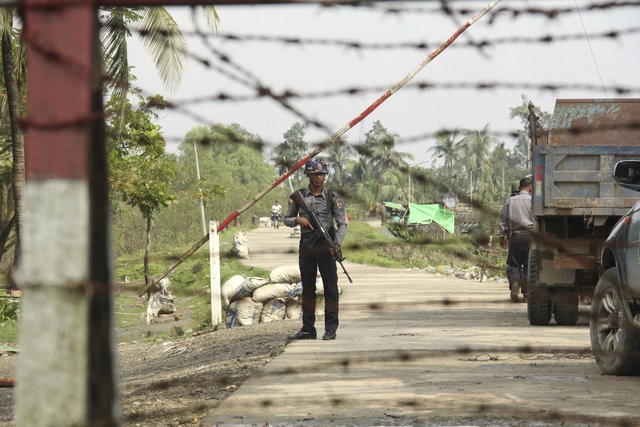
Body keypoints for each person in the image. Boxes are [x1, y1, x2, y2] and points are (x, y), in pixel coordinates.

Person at [284, 158, 347, 341]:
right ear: (308, 175)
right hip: (307, 246)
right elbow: (286, 219)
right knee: (308, 288)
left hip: (327, 245)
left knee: (330, 288)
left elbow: (342, 224)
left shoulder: (331, 196)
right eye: (315, 174)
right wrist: (298, 220)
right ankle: (308, 329)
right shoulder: (300, 196)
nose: (319, 177)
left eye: (322, 174)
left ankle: (330, 329)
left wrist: (337, 243)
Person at [499, 176, 533, 302]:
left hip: (515, 236)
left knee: (514, 263)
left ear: (519, 188)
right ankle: (526, 293)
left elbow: (503, 220)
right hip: (530, 236)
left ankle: (515, 282)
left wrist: (501, 236)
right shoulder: (532, 201)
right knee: (528, 265)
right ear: (530, 188)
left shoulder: (510, 201)